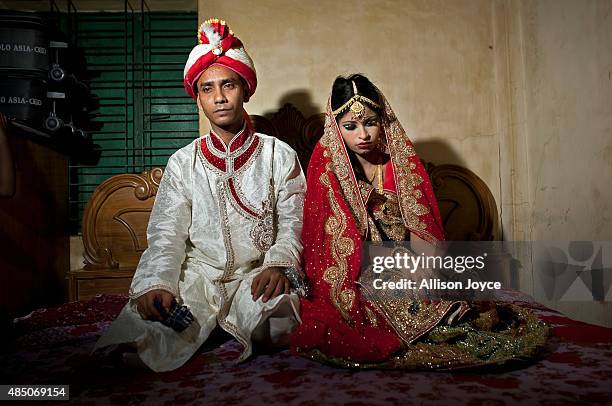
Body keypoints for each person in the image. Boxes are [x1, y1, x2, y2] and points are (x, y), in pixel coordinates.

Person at [290, 74, 548, 369]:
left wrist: (424, 266)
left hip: (412, 259)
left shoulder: (398, 163)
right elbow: (332, 245)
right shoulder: (328, 169)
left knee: (449, 282)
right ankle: (429, 318)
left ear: (382, 120)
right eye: (351, 126)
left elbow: (422, 228)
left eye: (370, 122)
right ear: (337, 128)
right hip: (358, 266)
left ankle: (442, 311)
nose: (363, 134)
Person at [95, 18, 307, 372]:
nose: (219, 97)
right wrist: (156, 283)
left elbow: (293, 222)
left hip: (256, 275)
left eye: (228, 85)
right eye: (207, 89)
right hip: (198, 276)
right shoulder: (183, 162)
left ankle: (223, 324)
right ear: (197, 97)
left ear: (246, 90)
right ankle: (205, 324)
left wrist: (278, 263)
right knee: (144, 334)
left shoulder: (278, 154)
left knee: (279, 324)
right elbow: (166, 235)